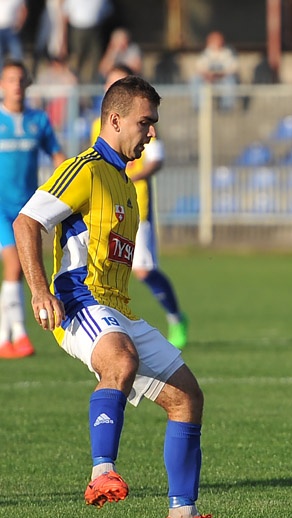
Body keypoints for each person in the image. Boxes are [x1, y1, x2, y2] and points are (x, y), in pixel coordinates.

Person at [13, 75, 239, 518]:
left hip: (118, 308)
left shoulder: (124, 181)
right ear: (115, 120)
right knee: (120, 358)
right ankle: (102, 472)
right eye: (145, 122)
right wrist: (39, 291)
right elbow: (27, 221)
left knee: (186, 397)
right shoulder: (86, 168)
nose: (151, 132)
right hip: (77, 299)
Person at [92, 64, 189, 348]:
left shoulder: (146, 124)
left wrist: (132, 174)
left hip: (137, 206)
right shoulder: (97, 125)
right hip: (104, 207)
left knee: (143, 270)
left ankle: (175, 317)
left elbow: (156, 161)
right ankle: (107, 329)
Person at [0, 60, 66, 359]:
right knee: (14, 265)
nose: (15, 85)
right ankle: (20, 335)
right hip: (1, 208)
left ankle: (5, 337)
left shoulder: (38, 120)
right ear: (2, 85)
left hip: (27, 210)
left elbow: (57, 156)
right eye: (10, 79)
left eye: (20, 79)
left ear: (26, 85)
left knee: (27, 268)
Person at [61, 0, 113, 83]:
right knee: (76, 57)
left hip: (95, 29)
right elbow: (65, 14)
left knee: (93, 58)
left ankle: (89, 83)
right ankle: (74, 82)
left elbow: (108, 11)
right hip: (77, 29)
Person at [192, 30, 239, 111]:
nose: (215, 43)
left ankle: (226, 107)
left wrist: (220, 74)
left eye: (217, 40)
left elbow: (233, 68)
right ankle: (199, 107)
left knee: (230, 81)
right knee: (195, 80)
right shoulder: (206, 53)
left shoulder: (227, 53)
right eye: (213, 40)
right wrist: (207, 75)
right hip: (208, 80)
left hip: (222, 79)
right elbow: (199, 67)